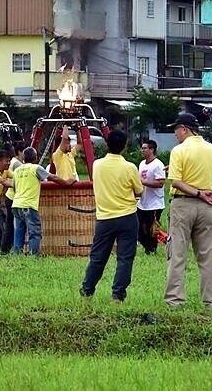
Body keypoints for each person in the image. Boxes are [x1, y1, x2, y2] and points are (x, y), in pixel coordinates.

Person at [164, 112, 212, 309]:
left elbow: (177, 182)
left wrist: (197, 193)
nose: (175, 134)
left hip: (183, 205)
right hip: (208, 206)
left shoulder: (178, 151)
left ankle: (175, 301)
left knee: (177, 255)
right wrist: (202, 194)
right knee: (208, 257)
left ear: (184, 129)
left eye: (176, 130)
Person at [80, 130, 143, 304]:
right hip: (128, 217)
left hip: (104, 219)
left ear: (107, 144)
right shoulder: (130, 167)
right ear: (124, 147)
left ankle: (87, 292)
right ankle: (117, 296)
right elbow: (139, 191)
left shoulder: (97, 165)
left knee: (98, 258)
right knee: (125, 259)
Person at [12, 147, 76, 255]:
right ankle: (34, 257)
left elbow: (14, 187)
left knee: (18, 233)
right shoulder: (36, 168)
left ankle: (17, 256)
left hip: (16, 205)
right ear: (35, 158)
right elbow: (52, 178)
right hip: (29, 205)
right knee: (34, 233)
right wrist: (66, 182)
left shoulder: (17, 170)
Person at [138, 140, 167, 255]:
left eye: (145, 148)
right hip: (142, 202)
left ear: (151, 150)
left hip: (154, 203)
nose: (142, 150)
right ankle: (146, 245)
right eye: (142, 148)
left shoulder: (157, 165)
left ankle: (151, 249)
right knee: (138, 227)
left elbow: (160, 183)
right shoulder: (141, 164)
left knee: (152, 229)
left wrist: (143, 182)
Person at [1, 142, 26, 254]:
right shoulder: (18, 165)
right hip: (12, 197)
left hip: (11, 197)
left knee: (11, 225)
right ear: (20, 152)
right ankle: (5, 250)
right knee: (11, 226)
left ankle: (7, 249)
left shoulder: (15, 162)